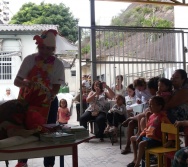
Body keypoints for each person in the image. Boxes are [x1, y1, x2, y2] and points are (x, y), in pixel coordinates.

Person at [14, 29, 65, 167]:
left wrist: (48, 95)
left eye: (49, 49)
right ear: (38, 46)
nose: (45, 51)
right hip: (27, 101)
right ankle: (22, 162)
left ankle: (49, 164)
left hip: (48, 103)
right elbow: (16, 82)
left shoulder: (58, 64)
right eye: (43, 48)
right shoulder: (29, 59)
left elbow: (56, 87)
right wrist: (27, 83)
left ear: (53, 49)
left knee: (48, 133)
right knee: (26, 132)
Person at [127, 96, 174, 167]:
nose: (149, 107)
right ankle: (135, 159)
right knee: (132, 138)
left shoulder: (163, 117)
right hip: (148, 138)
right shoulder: (152, 116)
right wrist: (141, 135)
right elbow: (146, 128)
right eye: (149, 105)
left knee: (141, 144)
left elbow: (171, 129)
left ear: (159, 106)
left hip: (156, 140)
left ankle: (136, 165)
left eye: (151, 105)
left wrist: (170, 141)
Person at [121, 76, 159, 155]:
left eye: (140, 87)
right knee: (132, 123)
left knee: (142, 118)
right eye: (138, 88)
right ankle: (128, 146)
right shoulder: (138, 90)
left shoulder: (153, 91)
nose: (140, 90)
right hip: (145, 108)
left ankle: (141, 137)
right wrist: (139, 100)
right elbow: (139, 97)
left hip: (150, 112)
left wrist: (150, 101)